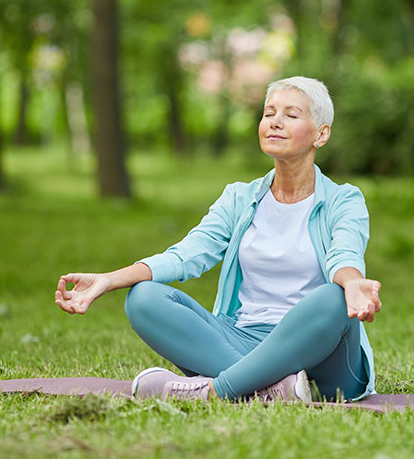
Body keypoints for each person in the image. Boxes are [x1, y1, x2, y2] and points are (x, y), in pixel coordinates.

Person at [54, 76, 382, 403]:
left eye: (291, 115)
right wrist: (109, 280)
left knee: (334, 299)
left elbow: (344, 254)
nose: (275, 123)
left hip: (323, 355)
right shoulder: (238, 198)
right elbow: (186, 255)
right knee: (143, 298)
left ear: (321, 134)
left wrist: (352, 284)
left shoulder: (344, 200)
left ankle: (214, 390)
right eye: (269, 113)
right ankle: (273, 389)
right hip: (240, 340)